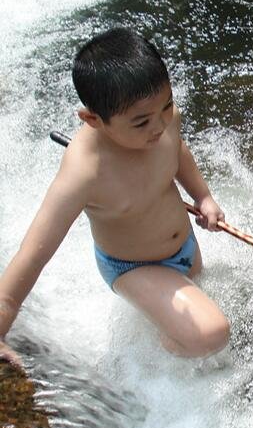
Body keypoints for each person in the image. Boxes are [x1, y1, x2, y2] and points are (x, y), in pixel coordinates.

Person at [0, 28, 231, 362]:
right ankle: (166, 344)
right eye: (141, 123)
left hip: (184, 246)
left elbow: (177, 153)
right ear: (93, 120)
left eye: (166, 107)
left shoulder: (165, 121)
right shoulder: (85, 172)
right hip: (132, 266)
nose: (158, 126)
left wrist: (203, 197)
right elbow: (33, 254)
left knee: (201, 314)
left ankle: (173, 328)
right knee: (211, 335)